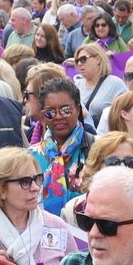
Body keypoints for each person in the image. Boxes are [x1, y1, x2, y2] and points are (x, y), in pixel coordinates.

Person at [31, 78, 93, 215]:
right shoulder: (30, 157)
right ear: (43, 115)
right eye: (50, 112)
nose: (58, 116)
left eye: (65, 110)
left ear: (78, 109)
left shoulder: (97, 149)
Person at [73, 43, 126, 126]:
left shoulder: (115, 84)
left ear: (98, 59)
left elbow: (128, 112)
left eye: (83, 59)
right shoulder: (76, 85)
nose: (79, 63)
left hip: (107, 135)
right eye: (77, 61)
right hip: (83, 136)